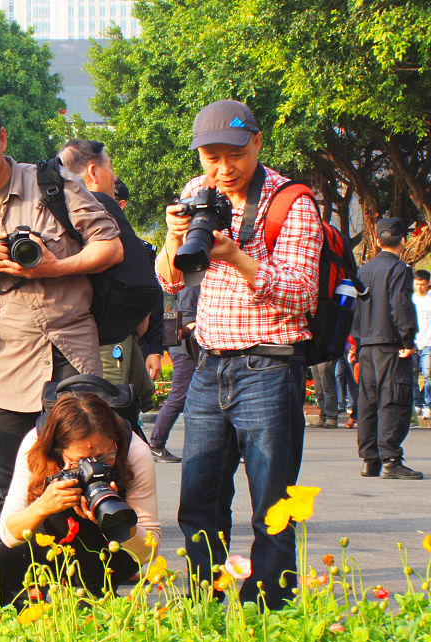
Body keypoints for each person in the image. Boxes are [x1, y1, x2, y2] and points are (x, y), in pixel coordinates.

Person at [156, 99, 323, 609]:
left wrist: (237, 257)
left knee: (272, 502)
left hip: (268, 366)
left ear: (257, 141)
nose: (223, 169)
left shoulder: (292, 202)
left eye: (234, 154)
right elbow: (170, 277)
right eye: (211, 156)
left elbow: (302, 295)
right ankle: (204, 599)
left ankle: (270, 605)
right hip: (209, 364)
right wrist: (172, 235)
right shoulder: (197, 192)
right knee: (199, 497)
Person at [0, 95, 123, 508]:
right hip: (2, 371)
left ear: (1, 138)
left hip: (70, 354)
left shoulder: (52, 185)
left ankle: (91, 570)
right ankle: (28, 571)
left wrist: (56, 267)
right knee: (16, 491)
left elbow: (111, 246)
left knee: (90, 475)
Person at [0, 391, 160, 607]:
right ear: (60, 451)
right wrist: (44, 505)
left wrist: (117, 521)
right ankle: (33, 615)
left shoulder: (134, 450)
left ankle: (93, 605)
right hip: (49, 547)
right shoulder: (37, 443)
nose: (95, 466)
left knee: (82, 530)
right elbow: (8, 534)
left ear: (115, 442)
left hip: (111, 555)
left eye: (105, 457)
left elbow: (147, 551)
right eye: (81, 461)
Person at [56, 140, 157, 407]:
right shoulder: (100, 204)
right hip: (105, 340)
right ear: (93, 172)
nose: (114, 176)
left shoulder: (52, 211)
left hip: (64, 339)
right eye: (110, 167)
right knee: (107, 415)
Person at [354, 217, 421, 479]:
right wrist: (407, 340)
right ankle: (391, 459)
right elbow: (401, 306)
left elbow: (355, 308)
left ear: (378, 240)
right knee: (394, 399)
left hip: (366, 344)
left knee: (368, 401)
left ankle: (370, 459)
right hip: (390, 344)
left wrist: (356, 341)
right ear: (403, 240)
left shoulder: (363, 270)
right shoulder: (400, 269)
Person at [148, 284, 200, 462]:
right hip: (185, 347)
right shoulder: (193, 281)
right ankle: (156, 444)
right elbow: (186, 317)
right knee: (179, 397)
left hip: (187, 346)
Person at [413, 269, 431, 419]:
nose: (420, 287)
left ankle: (427, 404)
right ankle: (416, 403)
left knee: (428, 375)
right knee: (411, 375)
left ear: (428, 284)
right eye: (417, 284)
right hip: (412, 343)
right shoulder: (410, 299)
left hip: (428, 343)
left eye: (423, 284)